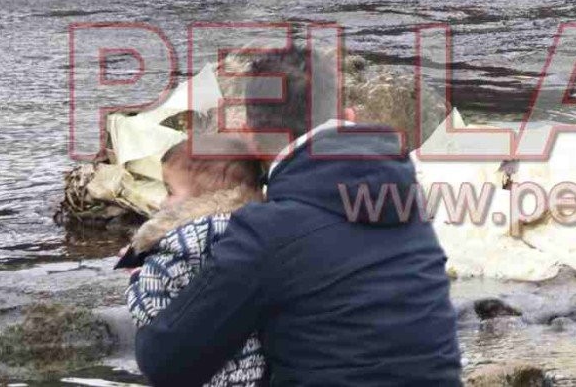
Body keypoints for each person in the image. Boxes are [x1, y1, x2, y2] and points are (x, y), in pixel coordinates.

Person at [133, 46, 462, 387]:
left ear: (250, 137)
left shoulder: (267, 233)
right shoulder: (406, 197)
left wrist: (147, 277)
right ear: (348, 117)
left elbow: (166, 362)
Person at [122, 145, 266, 387]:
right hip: (255, 373)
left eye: (169, 191)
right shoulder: (258, 234)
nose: (162, 202)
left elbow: (150, 313)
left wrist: (138, 276)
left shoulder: (178, 246)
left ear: (202, 199)